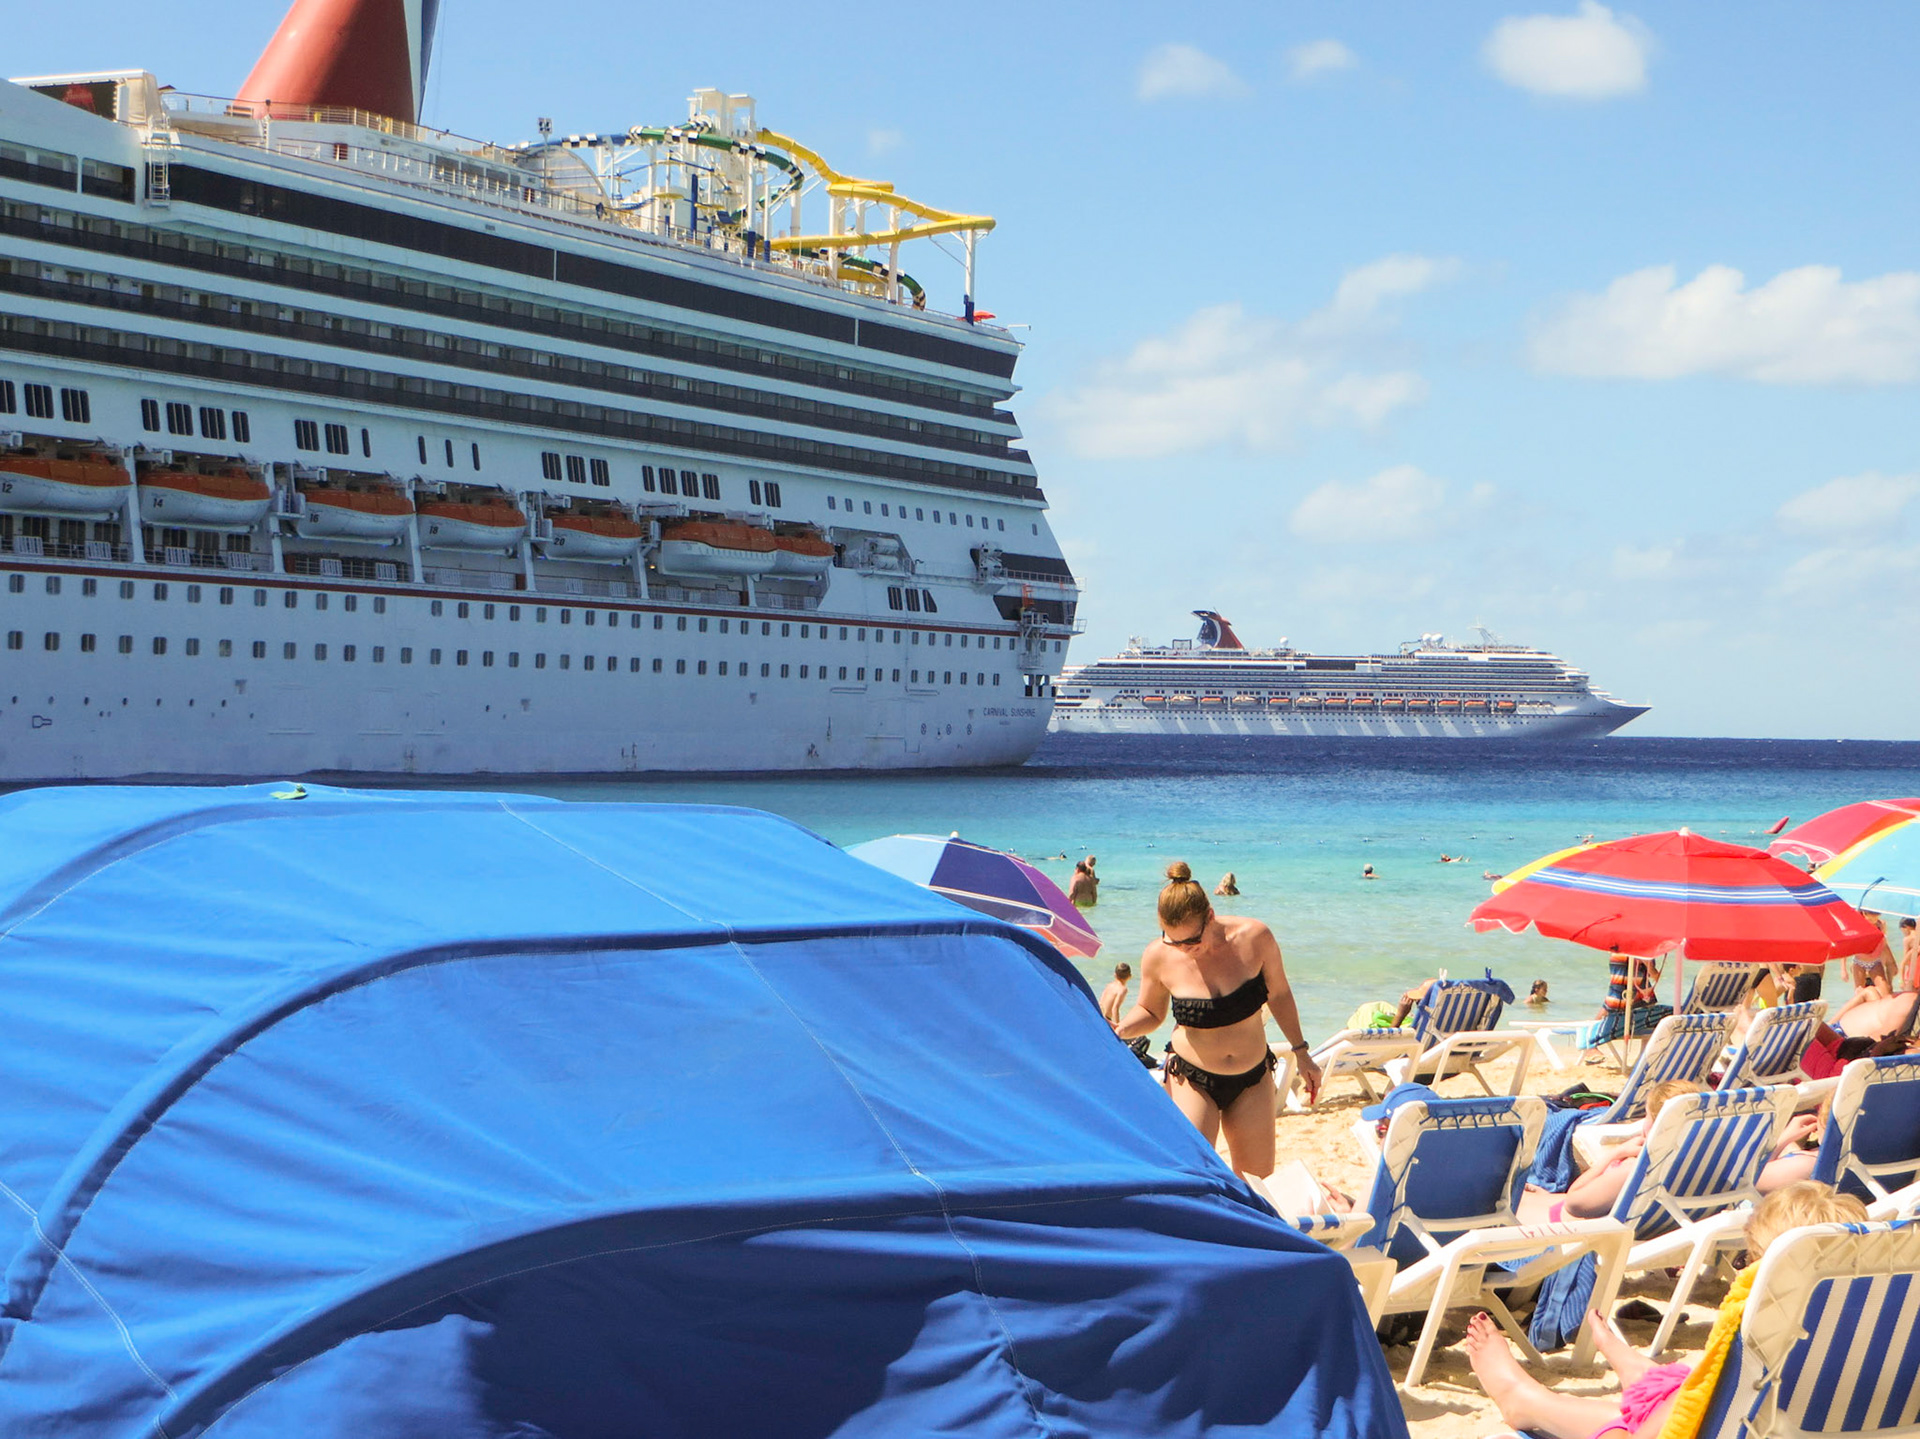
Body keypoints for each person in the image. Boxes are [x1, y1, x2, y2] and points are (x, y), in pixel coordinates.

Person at [1465, 1181, 1867, 1439]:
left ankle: (1527, 1399)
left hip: (1748, 1428)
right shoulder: (1884, 1314)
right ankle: (1640, 1375)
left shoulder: (1766, 1317)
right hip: (1827, 1421)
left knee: (1634, 1429)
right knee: (1686, 1388)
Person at [1115, 862, 1321, 1176]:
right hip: (1191, 1076)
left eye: (1191, 942)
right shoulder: (1158, 955)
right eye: (1173, 940)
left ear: (1210, 916)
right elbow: (1151, 1012)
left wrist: (1302, 1053)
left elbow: (1278, 995)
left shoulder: (1255, 937)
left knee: (1257, 1182)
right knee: (1194, 1175)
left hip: (1252, 1075)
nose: (1183, 950)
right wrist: (1119, 1030)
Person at [1515, 1080, 1704, 1224]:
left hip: (1569, 1225)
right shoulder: (1700, 1159)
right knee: (1522, 1195)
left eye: (1646, 1115)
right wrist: (1547, 1197)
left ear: (1658, 1124)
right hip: (1660, 1223)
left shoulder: (1635, 1168)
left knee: (1505, 1207)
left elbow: (1574, 1202)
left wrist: (1615, 1154)